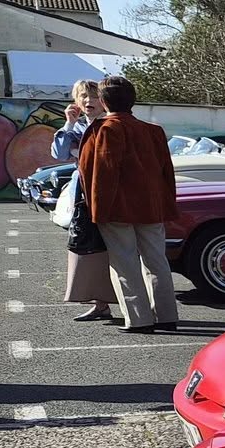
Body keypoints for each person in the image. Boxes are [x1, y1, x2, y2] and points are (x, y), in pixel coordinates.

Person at [75, 75, 180, 334]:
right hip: (153, 207)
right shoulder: (154, 131)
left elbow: (102, 175)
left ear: (103, 101)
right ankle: (167, 315)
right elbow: (167, 172)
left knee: (125, 264)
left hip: (117, 208)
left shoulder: (104, 130)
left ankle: (139, 319)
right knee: (157, 262)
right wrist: (168, 203)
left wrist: (97, 212)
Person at [54, 80, 117, 322]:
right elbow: (58, 154)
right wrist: (68, 123)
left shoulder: (110, 126)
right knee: (90, 248)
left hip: (107, 195)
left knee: (115, 248)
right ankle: (100, 303)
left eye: (93, 96)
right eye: (83, 96)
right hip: (83, 197)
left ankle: (134, 304)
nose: (88, 101)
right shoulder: (77, 129)